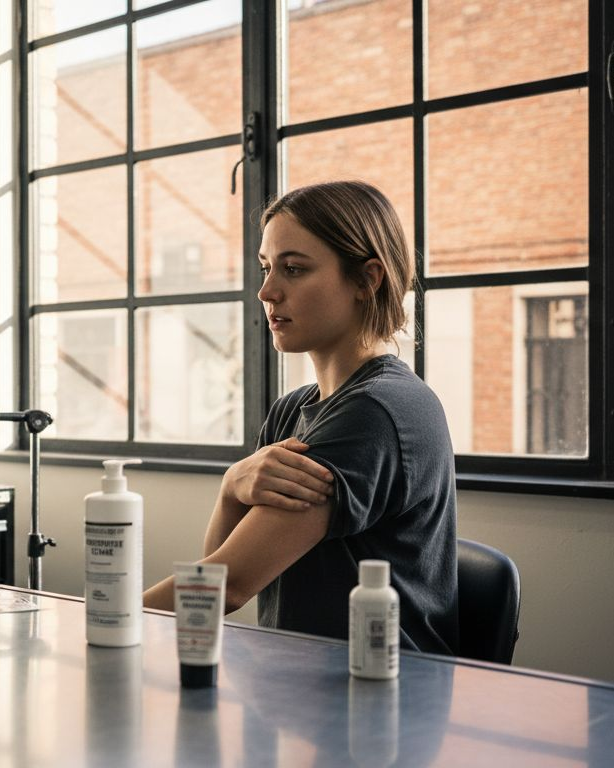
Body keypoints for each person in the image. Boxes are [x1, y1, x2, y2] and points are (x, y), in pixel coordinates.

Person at [142, 180, 458, 655]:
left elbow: (227, 588)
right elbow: (217, 567)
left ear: (367, 280)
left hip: (378, 698)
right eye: (267, 268)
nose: (267, 292)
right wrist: (231, 487)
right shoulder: (294, 408)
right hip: (296, 689)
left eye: (293, 269)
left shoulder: (374, 413)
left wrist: (89, 624)